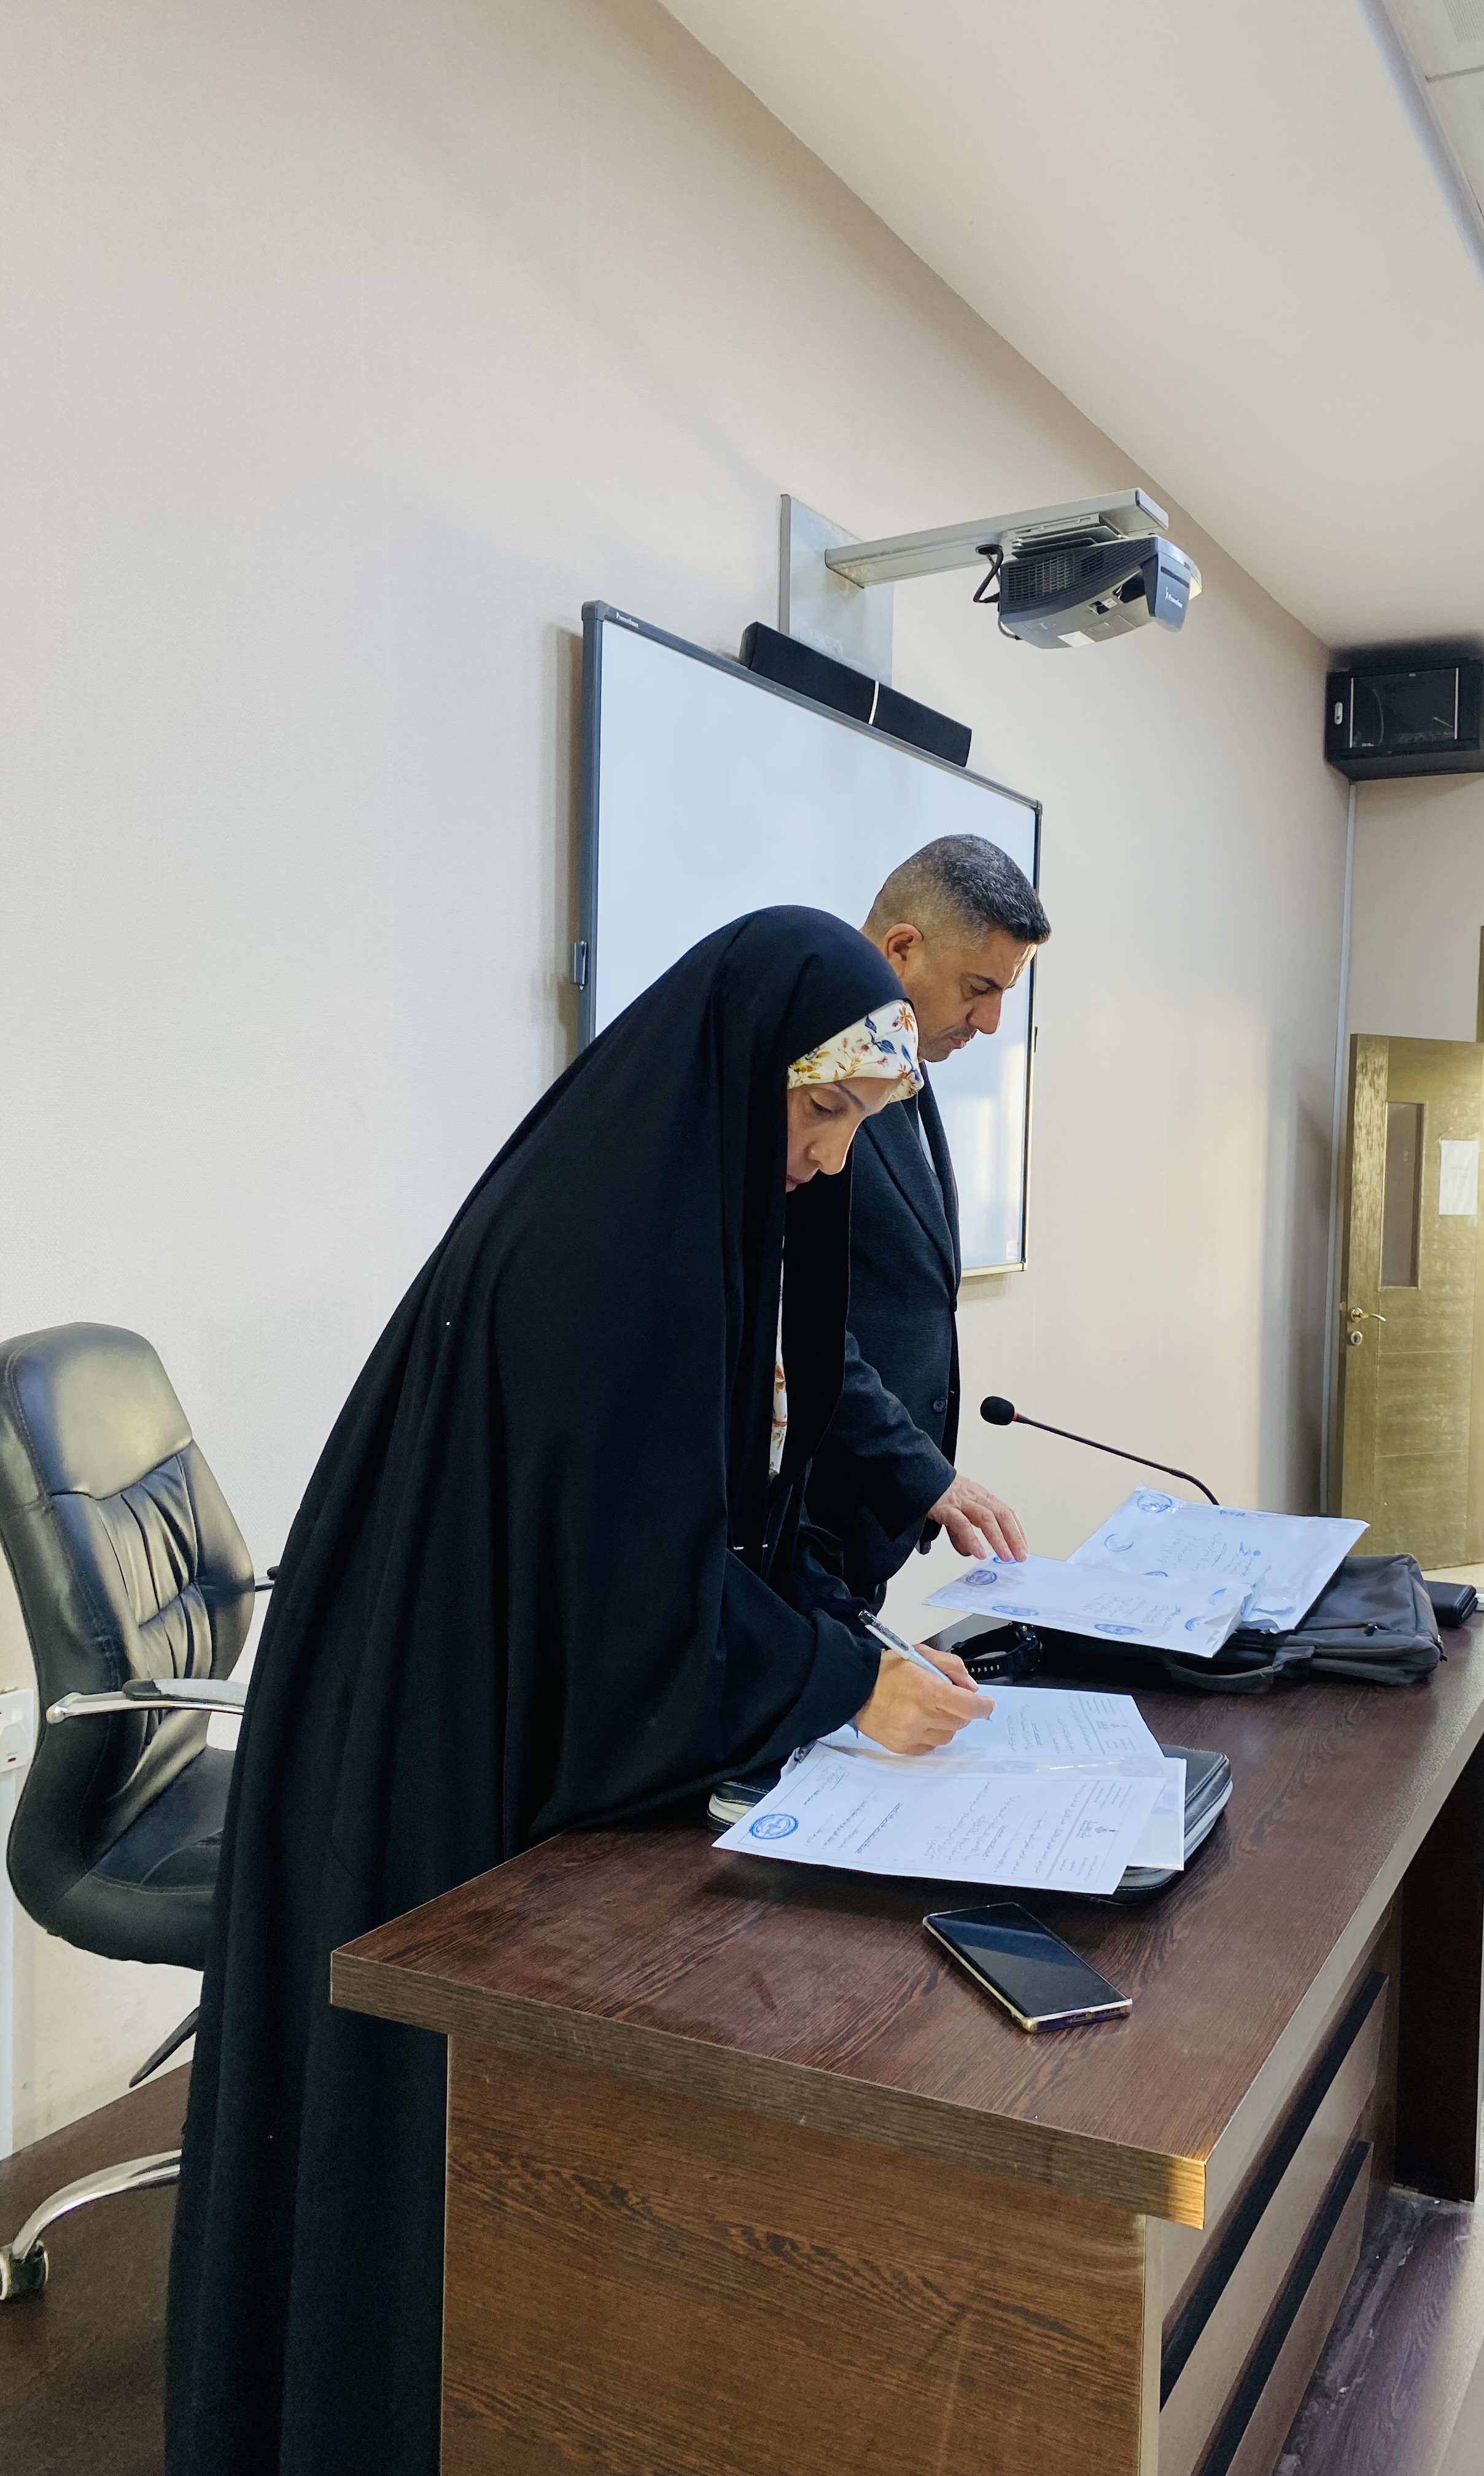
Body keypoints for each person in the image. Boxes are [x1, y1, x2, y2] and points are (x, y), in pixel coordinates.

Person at [165, 906, 989, 2476]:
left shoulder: (651, 1205)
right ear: (743, 1074)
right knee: (416, 2152)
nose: (827, 1162)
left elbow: (688, 1538)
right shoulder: (616, 1264)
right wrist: (843, 1685)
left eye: (855, 1126)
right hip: (426, 1740)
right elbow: (629, 1621)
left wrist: (845, 1646)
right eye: (822, 1115)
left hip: (454, 1690)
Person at [805, 836, 1051, 1604]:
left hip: (864, 1522)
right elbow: (793, 1317)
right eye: (979, 988)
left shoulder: (907, 1051)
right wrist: (920, 1471)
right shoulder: (819, 1069)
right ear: (903, 948)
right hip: (803, 1515)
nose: (993, 1021)